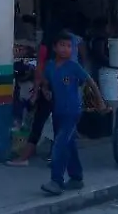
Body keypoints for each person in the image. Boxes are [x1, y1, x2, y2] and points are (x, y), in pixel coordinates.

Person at [7, 22, 86, 167]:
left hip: (50, 91)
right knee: (61, 127)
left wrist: (38, 90)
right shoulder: (71, 48)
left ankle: (27, 157)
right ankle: (60, 159)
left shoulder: (46, 47)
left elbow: (40, 69)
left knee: (39, 123)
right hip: (64, 94)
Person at [40, 31, 109, 196]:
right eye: (62, 45)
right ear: (55, 48)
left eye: (69, 46)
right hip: (57, 111)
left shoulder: (74, 67)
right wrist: (45, 90)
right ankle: (76, 178)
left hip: (72, 111)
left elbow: (91, 83)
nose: (66, 49)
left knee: (59, 146)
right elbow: (45, 83)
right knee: (68, 144)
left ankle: (56, 181)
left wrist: (100, 103)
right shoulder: (50, 66)